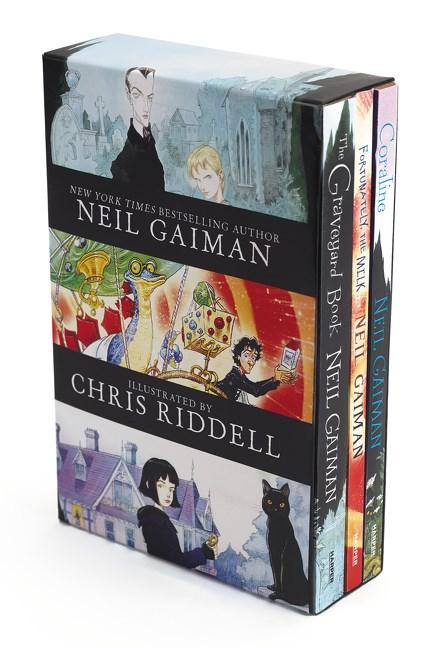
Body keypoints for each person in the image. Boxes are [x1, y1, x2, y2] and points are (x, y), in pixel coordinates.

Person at [137, 458, 215, 568]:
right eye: (161, 486)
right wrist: (202, 553)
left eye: (171, 489)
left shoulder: (160, 519)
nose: (168, 493)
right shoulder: (153, 522)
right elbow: (174, 562)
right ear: (148, 484)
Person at [111, 67, 165, 192]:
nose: (146, 106)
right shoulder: (123, 164)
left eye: (149, 97)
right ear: (128, 95)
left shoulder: (150, 143)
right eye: (137, 95)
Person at [217, 336, 296, 404]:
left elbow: (255, 386)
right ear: (238, 356)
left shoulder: (240, 376)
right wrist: (275, 379)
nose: (251, 362)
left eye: (253, 358)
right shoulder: (234, 376)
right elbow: (256, 390)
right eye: (246, 355)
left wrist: (276, 379)